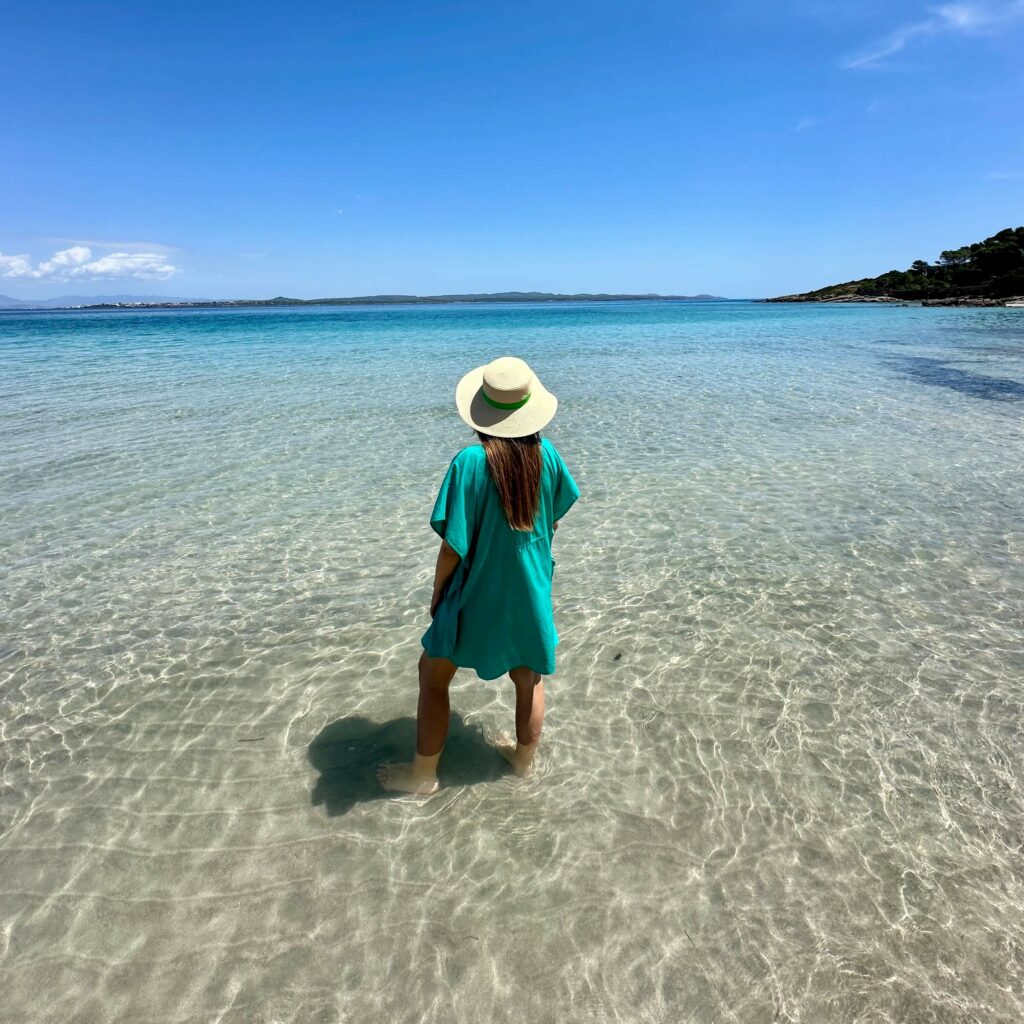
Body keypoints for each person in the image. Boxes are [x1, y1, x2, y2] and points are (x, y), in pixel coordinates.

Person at [377, 356, 580, 795]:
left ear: (481, 413)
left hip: (475, 590)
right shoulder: (548, 457)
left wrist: (437, 593)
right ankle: (523, 765)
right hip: (531, 588)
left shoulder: (470, 462)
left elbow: (453, 544)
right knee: (529, 679)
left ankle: (423, 776)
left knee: (432, 676)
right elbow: (553, 522)